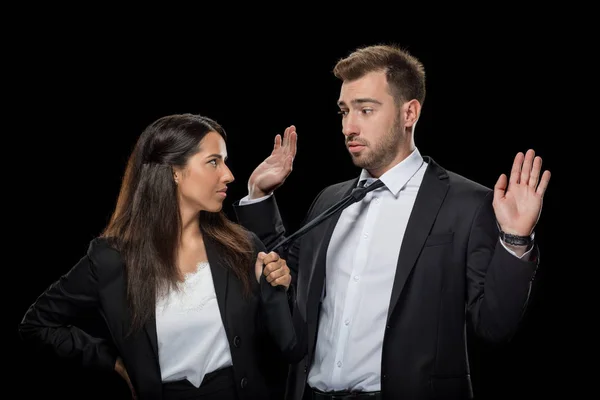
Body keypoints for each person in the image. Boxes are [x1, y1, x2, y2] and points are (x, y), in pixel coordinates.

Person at [232, 44, 551, 399]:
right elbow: (280, 284)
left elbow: (493, 327)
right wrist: (258, 196)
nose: (348, 127)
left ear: (409, 113)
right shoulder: (329, 200)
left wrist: (515, 240)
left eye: (365, 110)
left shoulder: (467, 203)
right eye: (343, 111)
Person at [18, 113, 296, 400]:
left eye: (224, 161)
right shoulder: (111, 258)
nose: (228, 175)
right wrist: (113, 363)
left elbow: (287, 340)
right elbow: (36, 324)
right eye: (214, 161)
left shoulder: (241, 246)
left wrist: (279, 285)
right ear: (174, 171)